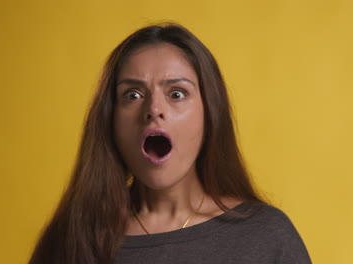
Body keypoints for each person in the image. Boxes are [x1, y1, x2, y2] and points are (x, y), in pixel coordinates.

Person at [29, 23, 312, 264]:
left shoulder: (267, 237)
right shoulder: (70, 239)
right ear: (110, 121)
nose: (154, 109)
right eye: (132, 95)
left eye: (177, 94)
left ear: (209, 114)